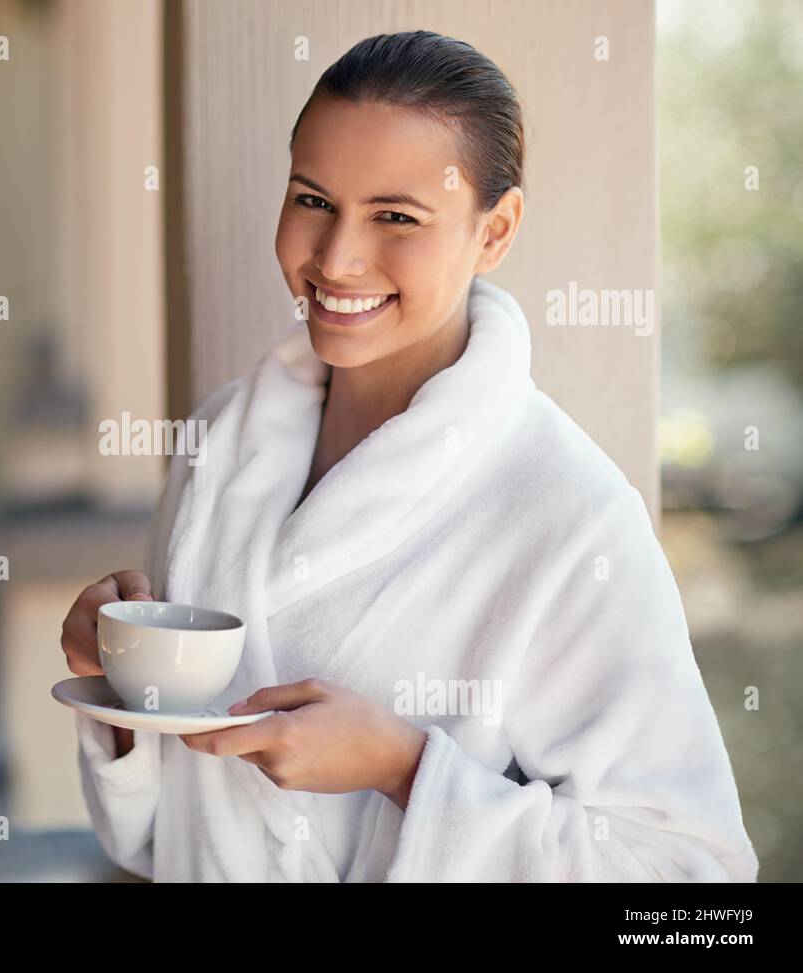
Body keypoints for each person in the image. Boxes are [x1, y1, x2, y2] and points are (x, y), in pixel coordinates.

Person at [60, 30, 758, 882]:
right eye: (312, 200)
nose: (336, 257)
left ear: (495, 231)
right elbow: (159, 839)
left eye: (396, 216)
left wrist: (403, 768)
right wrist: (121, 690)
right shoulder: (218, 447)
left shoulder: (571, 516)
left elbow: (693, 887)